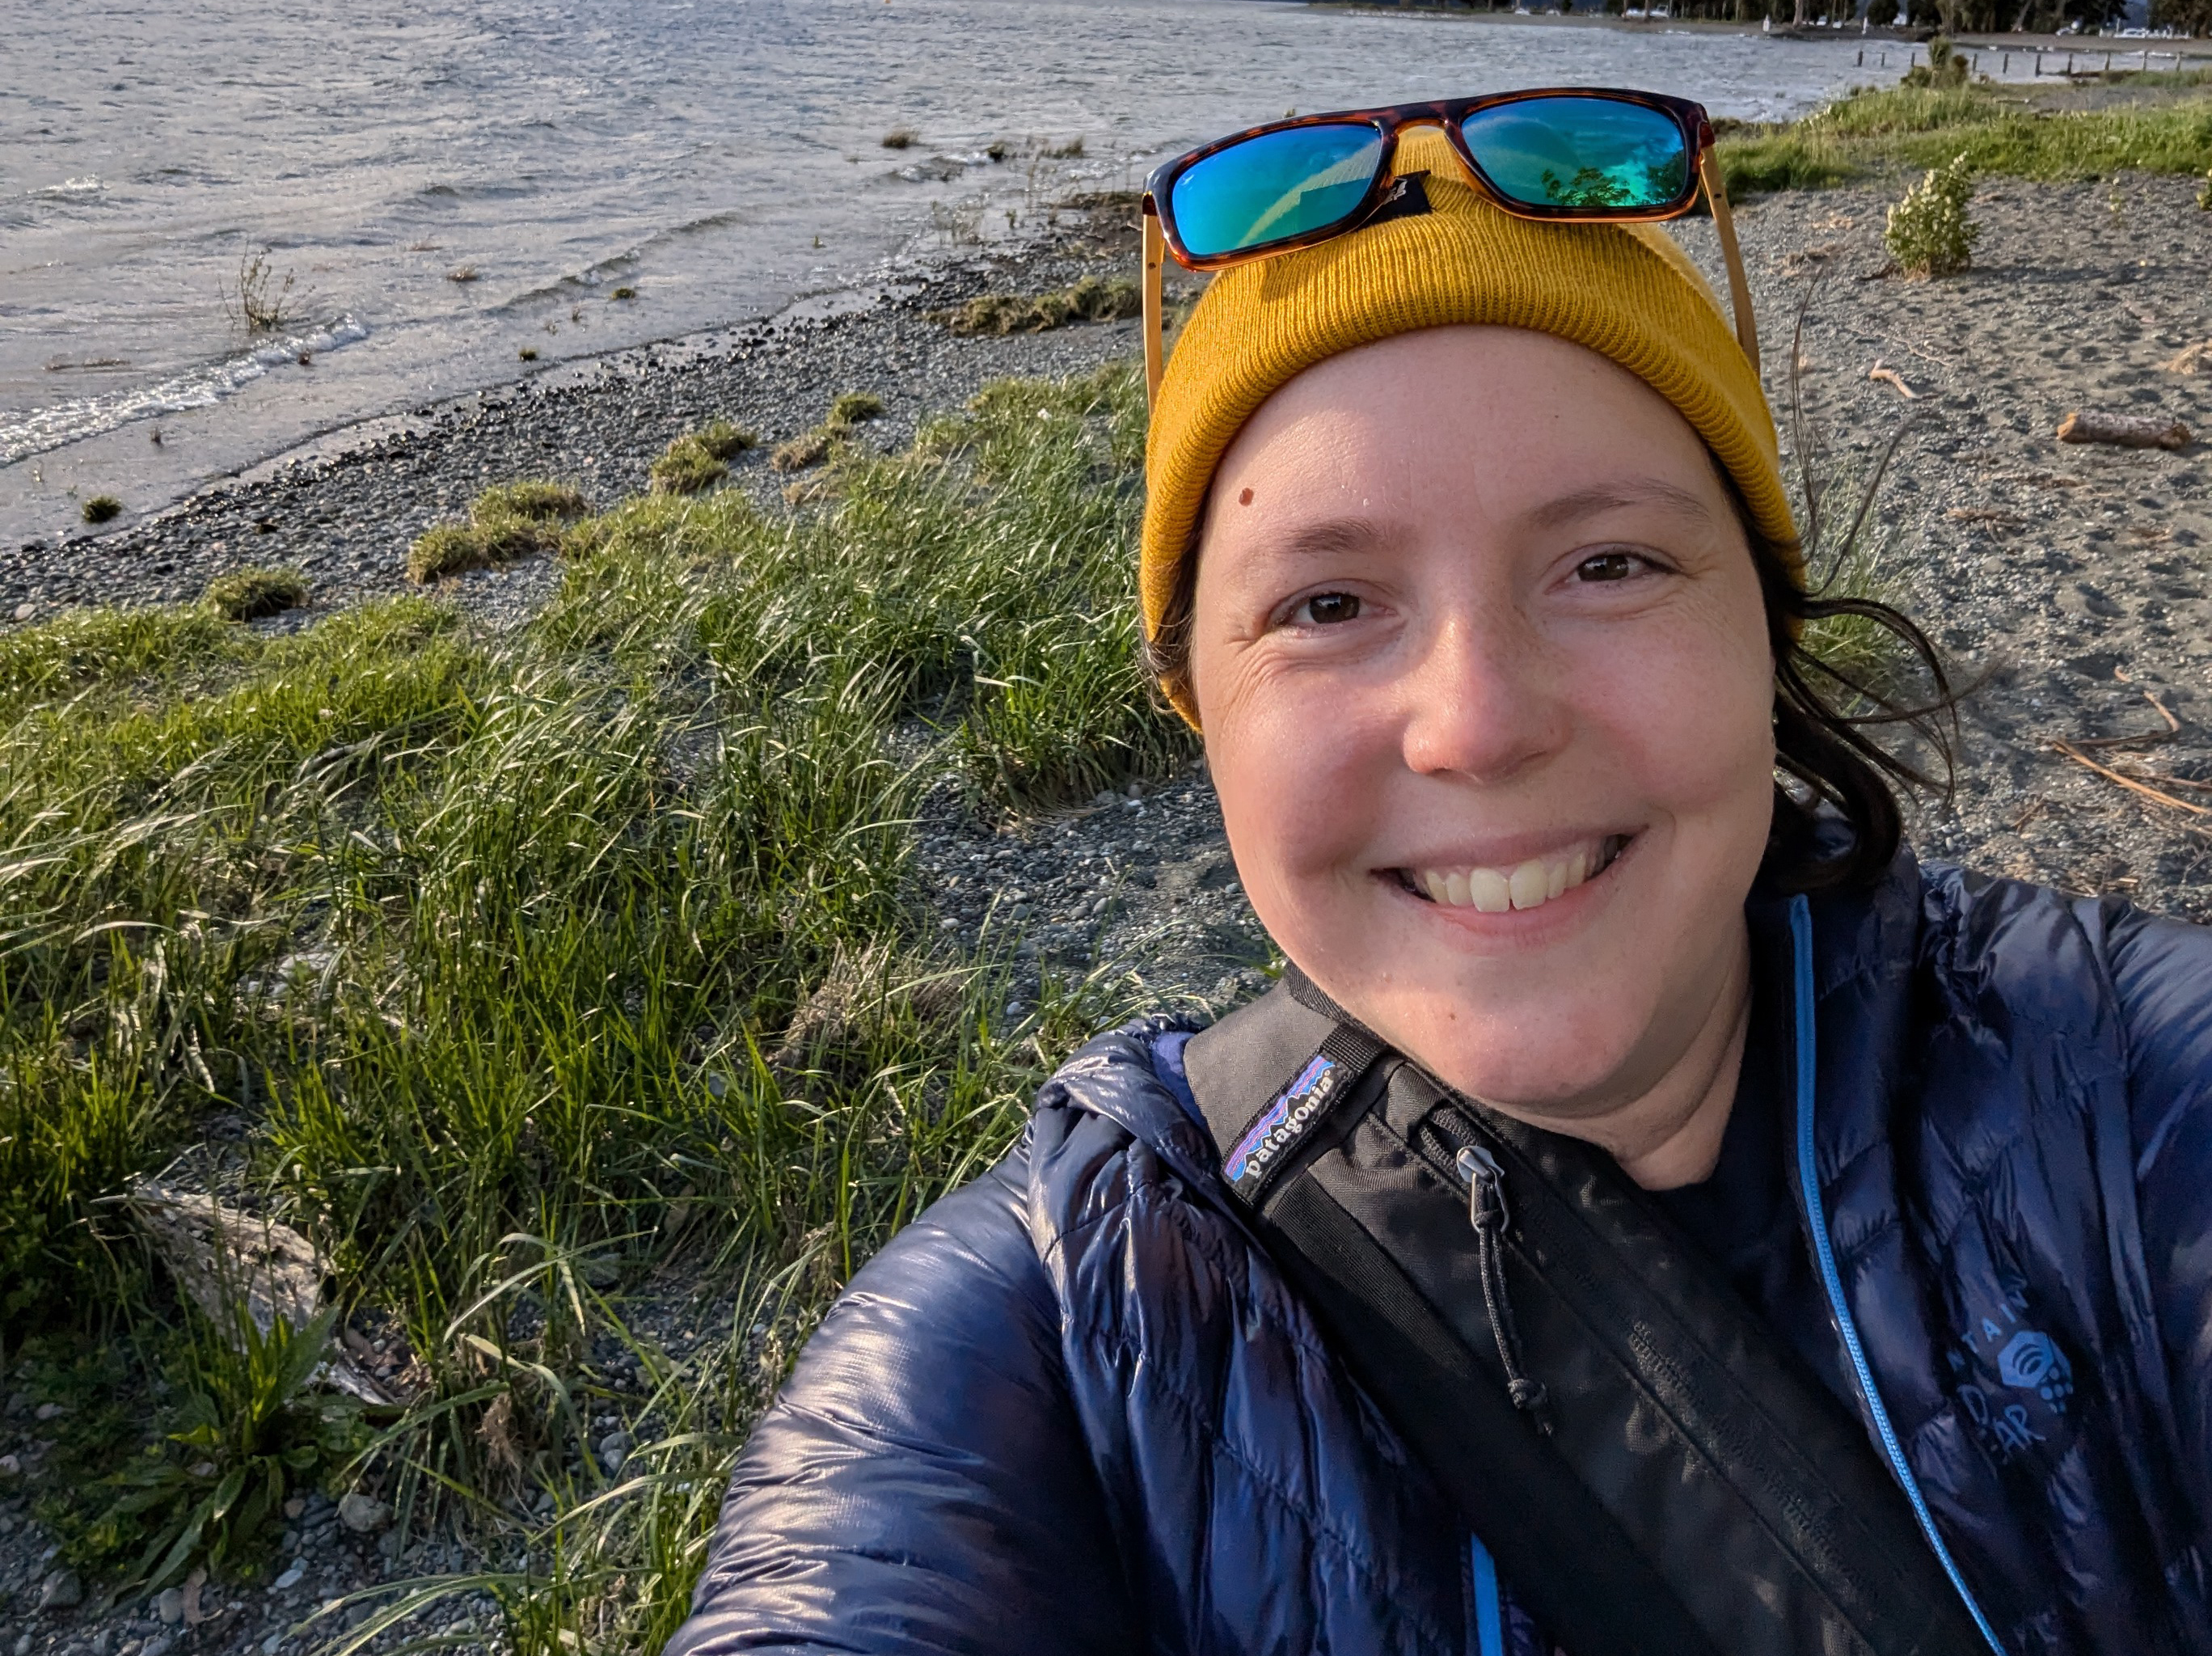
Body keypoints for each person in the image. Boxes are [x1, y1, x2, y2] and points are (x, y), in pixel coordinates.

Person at [669, 99, 2212, 1656]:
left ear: (1765, 619)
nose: (1477, 725)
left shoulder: (2131, 1092)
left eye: (1609, 564)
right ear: (1196, 703)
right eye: (1330, 602)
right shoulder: (1058, 1335)